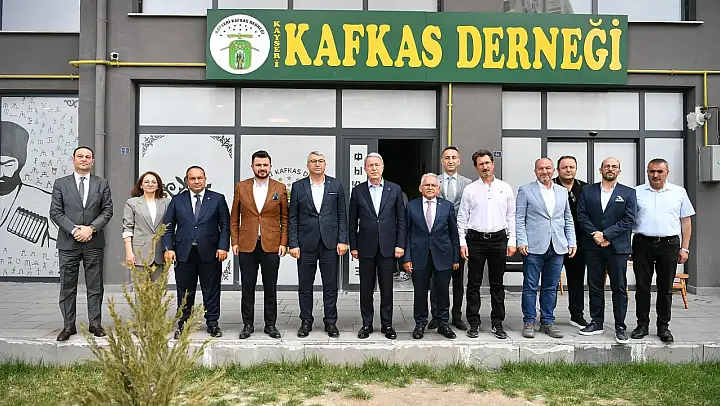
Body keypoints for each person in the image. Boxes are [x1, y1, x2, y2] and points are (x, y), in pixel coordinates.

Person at [49, 146, 113, 341]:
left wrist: (90, 229)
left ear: (93, 161)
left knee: (95, 286)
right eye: (80, 156)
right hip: (68, 243)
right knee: (67, 286)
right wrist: (75, 230)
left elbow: (107, 211)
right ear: (73, 159)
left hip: (94, 242)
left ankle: (95, 324)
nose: (84, 159)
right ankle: (68, 326)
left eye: (88, 157)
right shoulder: (61, 184)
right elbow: (55, 212)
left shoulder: (101, 183)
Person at [631, 158, 695, 343]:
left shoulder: (679, 192)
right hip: (642, 243)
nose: (655, 175)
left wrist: (685, 248)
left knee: (665, 288)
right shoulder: (636, 192)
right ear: (647, 172)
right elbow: (628, 220)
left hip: (669, 244)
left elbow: (686, 222)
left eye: (659, 171)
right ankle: (642, 325)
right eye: (651, 171)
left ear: (667, 172)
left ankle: (663, 327)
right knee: (642, 287)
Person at [162, 166, 230, 339]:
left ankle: (212, 323)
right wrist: (168, 248)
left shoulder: (217, 199)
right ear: (187, 181)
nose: (197, 181)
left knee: (212, 289)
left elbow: (225, 225)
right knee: (185, 290)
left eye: (200, 178)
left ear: (205, 179)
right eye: (193, 178)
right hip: (184, 252)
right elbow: (168, 226)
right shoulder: (177, 200)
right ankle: (183, 323)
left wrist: (223, 247)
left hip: (211, 252)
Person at [288, 151, 348, 338]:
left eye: (320, 161)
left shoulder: (336, 185)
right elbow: (293, 217)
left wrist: (343, 240)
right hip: (305, 243)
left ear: (325, 164)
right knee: (305, 285)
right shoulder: (298, 186)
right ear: (308, 165)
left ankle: (330, 321)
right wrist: (293, 243)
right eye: (313, 161)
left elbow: (342, 215)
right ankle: (306, 321)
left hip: (330, 242)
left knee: (330, 285)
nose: (317, 164)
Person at [457, 149, 516, 340]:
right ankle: (474, 323)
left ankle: (498, 323)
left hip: (499, 240)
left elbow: (511, 216)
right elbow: (462, 218)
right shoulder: (470, 189)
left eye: (487, 163)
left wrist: (512, 240)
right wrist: (462, 242)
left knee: (497, 284)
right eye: (480, 164)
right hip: (475, 240)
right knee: (473, 283)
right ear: (476, 167)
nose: (485, 167)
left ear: (493, 164)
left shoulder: (505, 188)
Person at [576, 157, 636, 344]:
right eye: (607, 166)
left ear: (619, 171)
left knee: (619, 287)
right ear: (600, 169)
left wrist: (607, 235)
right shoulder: (588, 190)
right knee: (595, 286)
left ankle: (620, 326)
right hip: (593, 246)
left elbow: (629, 219)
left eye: (614, 166)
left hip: (617, 248)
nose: (610, 169)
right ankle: (596, 322)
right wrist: (595, 234)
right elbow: (581, 215)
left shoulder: (628, 193)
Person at [230, 150, 288, 339]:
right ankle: (247, 324)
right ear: (252, 166)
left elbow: (285, 218)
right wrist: (234, 241)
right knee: (248, 286)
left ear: (270, 166)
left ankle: (270, 325)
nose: (262, 168)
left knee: (270, 287)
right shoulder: (241, 186)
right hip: (247, 244)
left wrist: (284, 242)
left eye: (265, 165)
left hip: (271, 244)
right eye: (258, 165)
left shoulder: (280, 187)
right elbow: (234, 217)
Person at [516, 158, 576, 339]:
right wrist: (521, 240)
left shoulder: (562, 191)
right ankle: (529, 321)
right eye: (541, 169)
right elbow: (519, 218)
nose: (545, 172)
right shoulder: (525, 190)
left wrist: (571, 241)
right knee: (530, 286)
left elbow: (567, 218)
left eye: (548, 168)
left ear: (553, 170)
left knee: (551, 287)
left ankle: (547, 322)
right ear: (535, 171)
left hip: (557, 246)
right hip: (533, 246)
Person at [349, 152, 406, 340]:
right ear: (365, 169)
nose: (374, 168)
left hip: (388, 247)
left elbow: (401, 219)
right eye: (370, 165)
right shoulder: (358, 191)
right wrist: (353, 246)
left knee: (387, 288)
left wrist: (400, 244)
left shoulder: (394, 189)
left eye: (377, 165)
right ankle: (366, 324)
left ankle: (387, 325)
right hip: (365, 246)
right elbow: (352, 221)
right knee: (366, 288)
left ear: (382, 168)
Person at [403, 173, 459, 340]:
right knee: (420, 292)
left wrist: (455, 258)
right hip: (419, 255)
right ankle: (420, 323)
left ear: (438, 189)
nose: (430, 188)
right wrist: (406, 258)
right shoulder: (411, 206)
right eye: (426, 185)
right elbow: (406, 233)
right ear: (420, 188)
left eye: (433, 185)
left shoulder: (447, 206)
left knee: (442, 291)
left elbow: (453, 234)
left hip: (443, 255)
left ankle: (443, 323)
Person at [432, 145, 473, 331]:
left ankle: (456, 315)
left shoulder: (468, 183)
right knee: (436, 280)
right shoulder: (434, 181)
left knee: (458, 279)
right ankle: (436, 315)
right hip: (438, 237)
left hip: (459, 237)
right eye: (447, 158)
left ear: (459, 161)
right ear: (442, 161)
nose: (450, 161)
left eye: (453, 158)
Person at [1, 121, 59, 248]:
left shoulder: (46, 202)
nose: (1, 173)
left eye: (8, 165)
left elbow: (62, 246)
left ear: (20, 164)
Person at [553, 155, 589, 328]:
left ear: (576, 169)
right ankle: (547, 315)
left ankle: (577, 315)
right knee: (551, 281)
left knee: (576, 280)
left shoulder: (586, 188)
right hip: (554, 241)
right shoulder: (550, 186)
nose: (568, 170)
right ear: (558, 169)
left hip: (579, 242)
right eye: (564, 167)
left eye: (571, 167)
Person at [122, 171, 170, 280]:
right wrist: (129, 252)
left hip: (160, 253)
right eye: (147, 182)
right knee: (141, 289)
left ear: (158, 186)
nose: (150, 184)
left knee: (158, 289)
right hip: (139, 253)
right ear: (141, 185)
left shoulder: (166, 202)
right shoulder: (132, 203)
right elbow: (127, 228)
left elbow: (169, 227)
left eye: (153, 182)